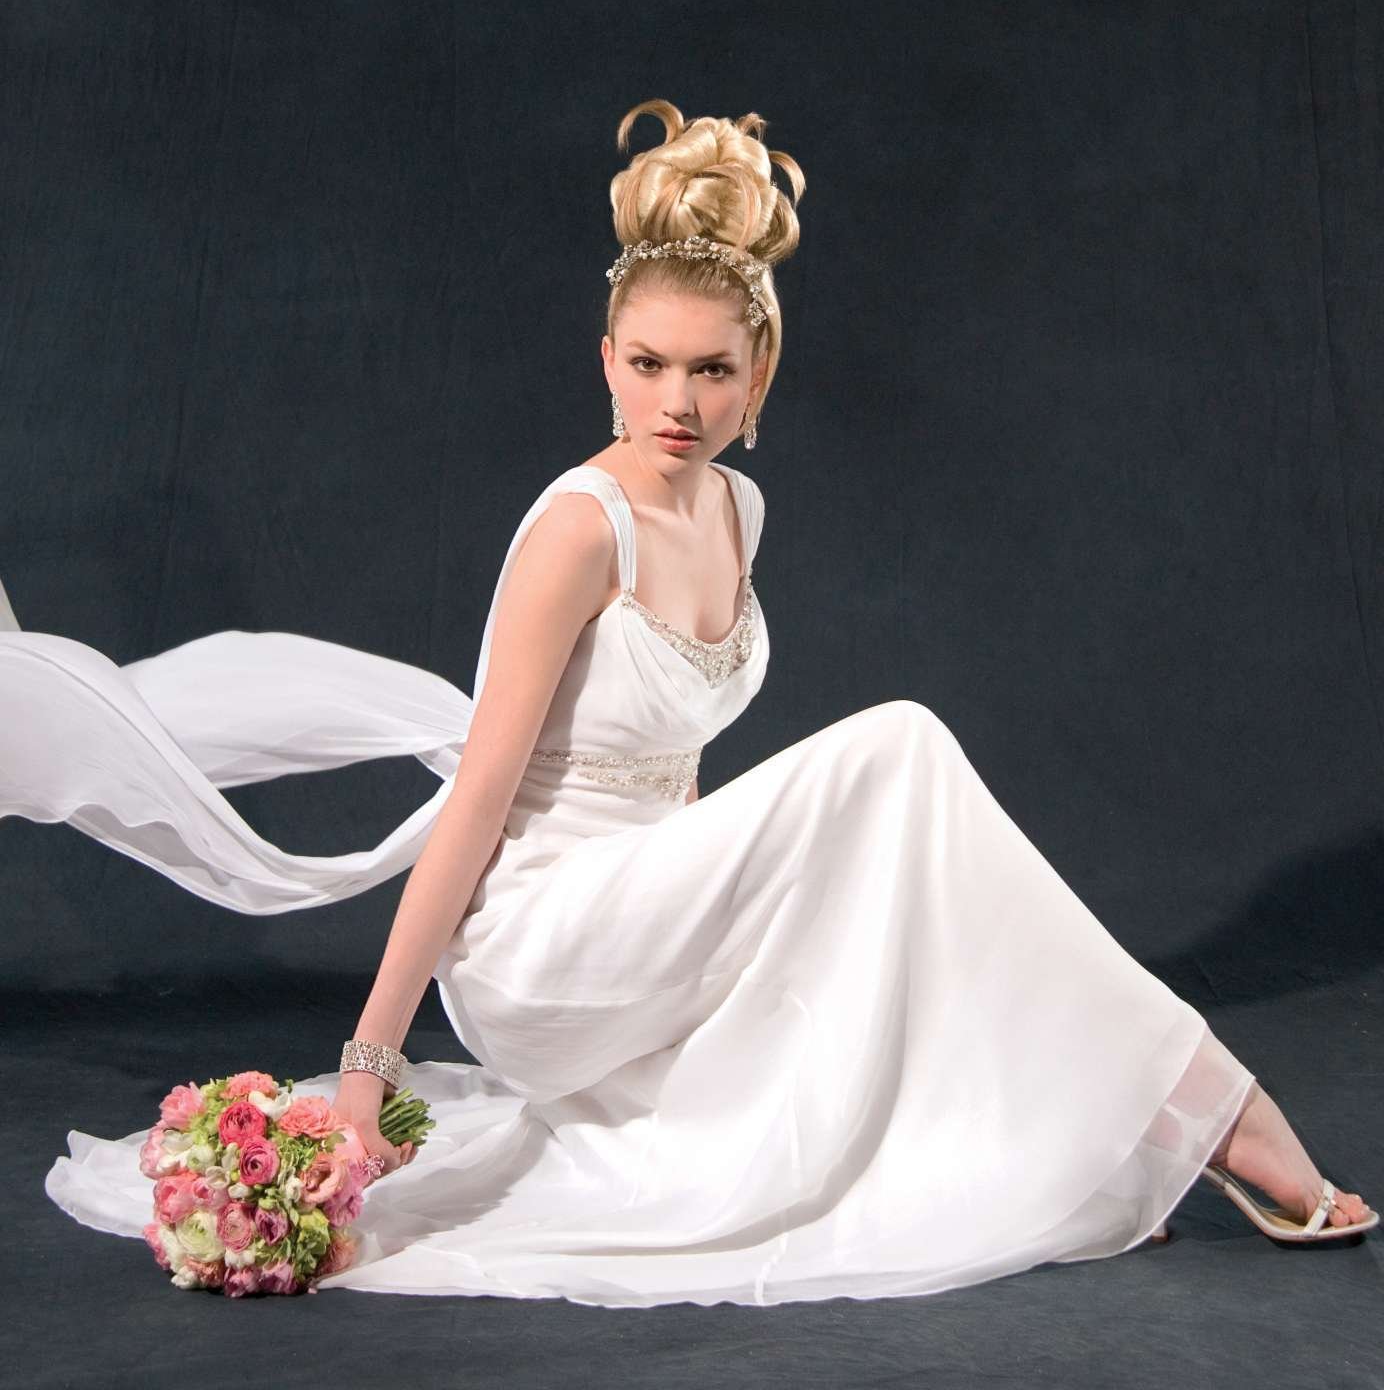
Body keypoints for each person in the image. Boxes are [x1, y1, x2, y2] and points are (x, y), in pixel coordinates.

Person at [5, 97, 1375, 1308]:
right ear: (605, 357)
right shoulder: (577, 530)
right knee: (900, 751)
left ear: (758, 374)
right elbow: (479, 799)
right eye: (648, 363)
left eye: (712, 370)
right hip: (541, 941)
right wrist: (369, 1062)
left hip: (654, 915)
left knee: (897, 899)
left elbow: (682, 779)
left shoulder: (739, 509)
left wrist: (739, 937)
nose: (677, 400)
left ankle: (1102, 1125)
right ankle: (1216, 1107)